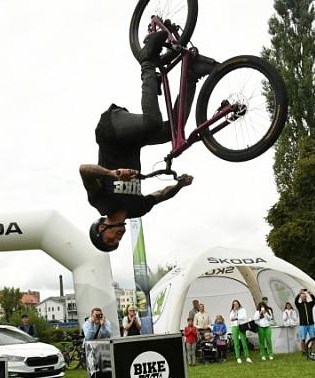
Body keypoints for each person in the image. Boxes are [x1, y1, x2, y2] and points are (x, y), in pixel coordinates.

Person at [80, 30, 216, 252]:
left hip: (110, 132)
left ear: (100, 229)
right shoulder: (137, 209)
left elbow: (84, 170)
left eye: (111, 239)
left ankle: (147, 61)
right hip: (134, 142)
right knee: (173, 130)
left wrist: (111, 173)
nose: (118, 238)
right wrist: (180, 185)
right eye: (117, 242)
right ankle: (191, 75)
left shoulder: (100, 202)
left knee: (152, 123)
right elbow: (160, 195)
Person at [295, 289, 315, 356]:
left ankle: (314, 350)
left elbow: (314, 300)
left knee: (313, 338)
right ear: (301, 298)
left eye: (304, 296)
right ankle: (304, 351)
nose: (303, 298)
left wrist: (310, 293)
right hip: (303, 325)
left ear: (306, 297)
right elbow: (295, 301)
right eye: (302, 297)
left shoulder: (310, 304)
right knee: (303, 339)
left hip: (311, 324)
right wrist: (299, 294)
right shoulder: (299, 305)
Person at [229, 300, 251, 364]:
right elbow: (231, 318)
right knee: (236, 343)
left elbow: (244, 317)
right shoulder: (232, 311)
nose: (235, 305)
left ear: (239, 304)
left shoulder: (242, 310)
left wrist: (236, 318)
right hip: (234, 326)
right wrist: (234, 311)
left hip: (241, 326)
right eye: (234, 304)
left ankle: (247, 356)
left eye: (236, 304)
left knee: (244, 341)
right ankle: (238, 357)